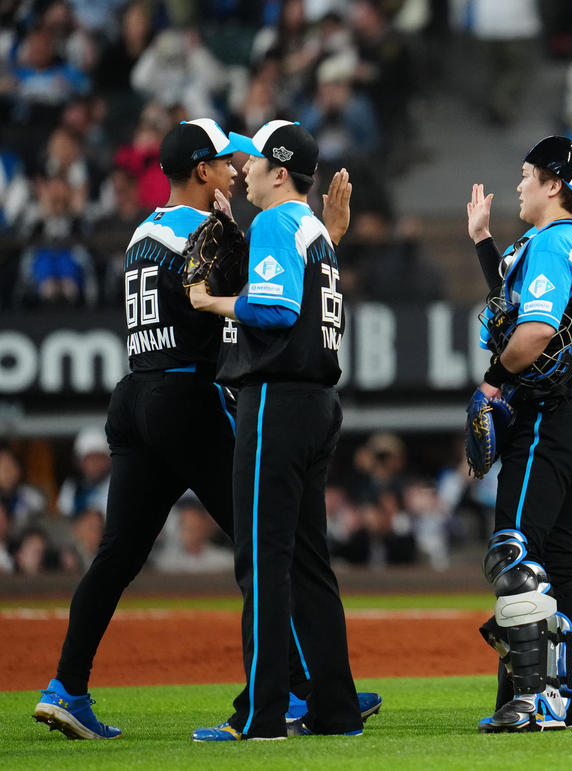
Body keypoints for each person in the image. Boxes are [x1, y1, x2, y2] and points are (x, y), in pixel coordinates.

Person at [31, 120, 336, 741]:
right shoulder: (210, 232)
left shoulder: (145, 230)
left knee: (117, 555)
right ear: (201, 172)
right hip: (188, 396)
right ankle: (304, 689)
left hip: (135, 397)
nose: (233, 171)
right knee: (262, 542)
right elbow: (275, 291)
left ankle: (67, 685)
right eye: (224, 162)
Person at [187, 120, 366, 740]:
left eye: (253, 161)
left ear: (280, 170)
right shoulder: (316, 230)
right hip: (316, 404)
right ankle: (335, 710)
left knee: (263, 563)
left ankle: (262, 718)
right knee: (311, 566)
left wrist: (214, 303)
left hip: (276, 402)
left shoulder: (277, 222)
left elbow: (275, 308)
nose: (244, 171)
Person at [475, 136, 572, 733]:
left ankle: (531, 702)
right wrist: (482, 244)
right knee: (564, 562)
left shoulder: (555, 242)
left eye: (528, 173)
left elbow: (531, 335)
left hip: (549, 417)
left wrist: (491, 382)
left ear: (555, 184)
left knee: (515, 553)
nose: (521, 184)